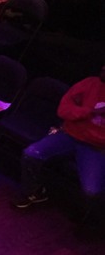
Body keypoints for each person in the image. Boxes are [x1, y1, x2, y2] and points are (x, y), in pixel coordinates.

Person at [14, 65, 105, 224]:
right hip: (69, 135)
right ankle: (34, 193)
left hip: (95, 148)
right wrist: (89, 112)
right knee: (31, 153)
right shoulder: (89, 84)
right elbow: (63, 110)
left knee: (91, 191)